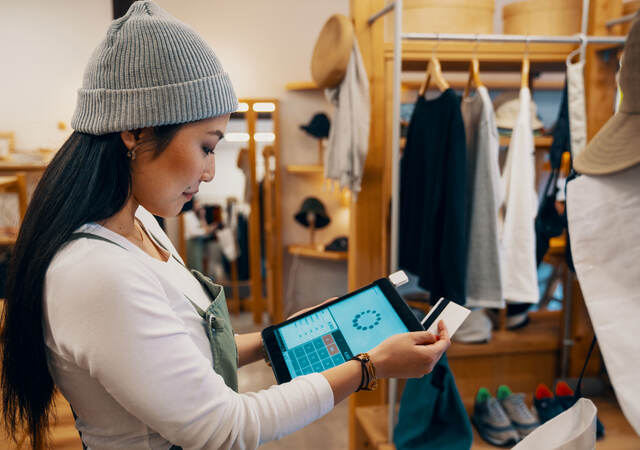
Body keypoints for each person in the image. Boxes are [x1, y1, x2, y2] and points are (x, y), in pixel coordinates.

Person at [0, 2, 450, 449]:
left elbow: (182, 348)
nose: (211, 171)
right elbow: (226, 428)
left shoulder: (142, 224)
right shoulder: (95, 274)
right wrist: (370, 366)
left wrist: (279, 338)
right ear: (134, 131)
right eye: (206, 146)